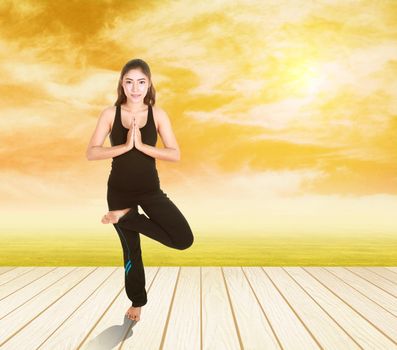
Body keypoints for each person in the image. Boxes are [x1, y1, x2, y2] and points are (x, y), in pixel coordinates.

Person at [86, 58, 194, 322]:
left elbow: (175, 153)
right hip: (119, 193)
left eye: (141, 82)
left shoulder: (158, 115)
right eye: (130, 82)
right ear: (122, 84)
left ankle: (127, 218)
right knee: (131, 251)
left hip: (150, 191)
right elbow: (91, 152)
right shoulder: (110, 114)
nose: (135, 88)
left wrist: (142, 146)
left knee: (183, 240)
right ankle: (137, 302)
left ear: (149, 85)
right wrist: (124, 146)